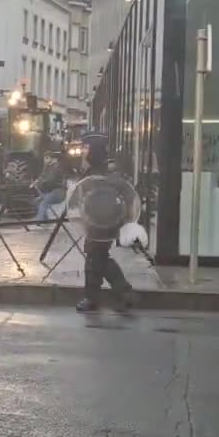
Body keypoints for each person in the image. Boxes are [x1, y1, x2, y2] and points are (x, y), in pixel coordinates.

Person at [70, 134, 139, 313]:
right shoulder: (93, 168)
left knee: (95, 256)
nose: (83, 151)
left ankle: (99, 297)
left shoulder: (107, 170)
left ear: (94, 150)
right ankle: (120, 294)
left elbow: (122, 193)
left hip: (105, 220)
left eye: (86, 148)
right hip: (95, 219)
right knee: (97, 256)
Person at [32, 151, 67, 222]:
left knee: (43, 203)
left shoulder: (57, 168)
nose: (45, 160)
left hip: (58, 192)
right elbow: (42, 177)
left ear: (54, 159)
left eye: (47, 158)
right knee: (37, 201)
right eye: (45, 158)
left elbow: (50, 180)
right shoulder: (48, 167)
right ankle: (45, 220)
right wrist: (36, 181)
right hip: (51, 192)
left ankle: (40, 221)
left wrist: (39, 183)